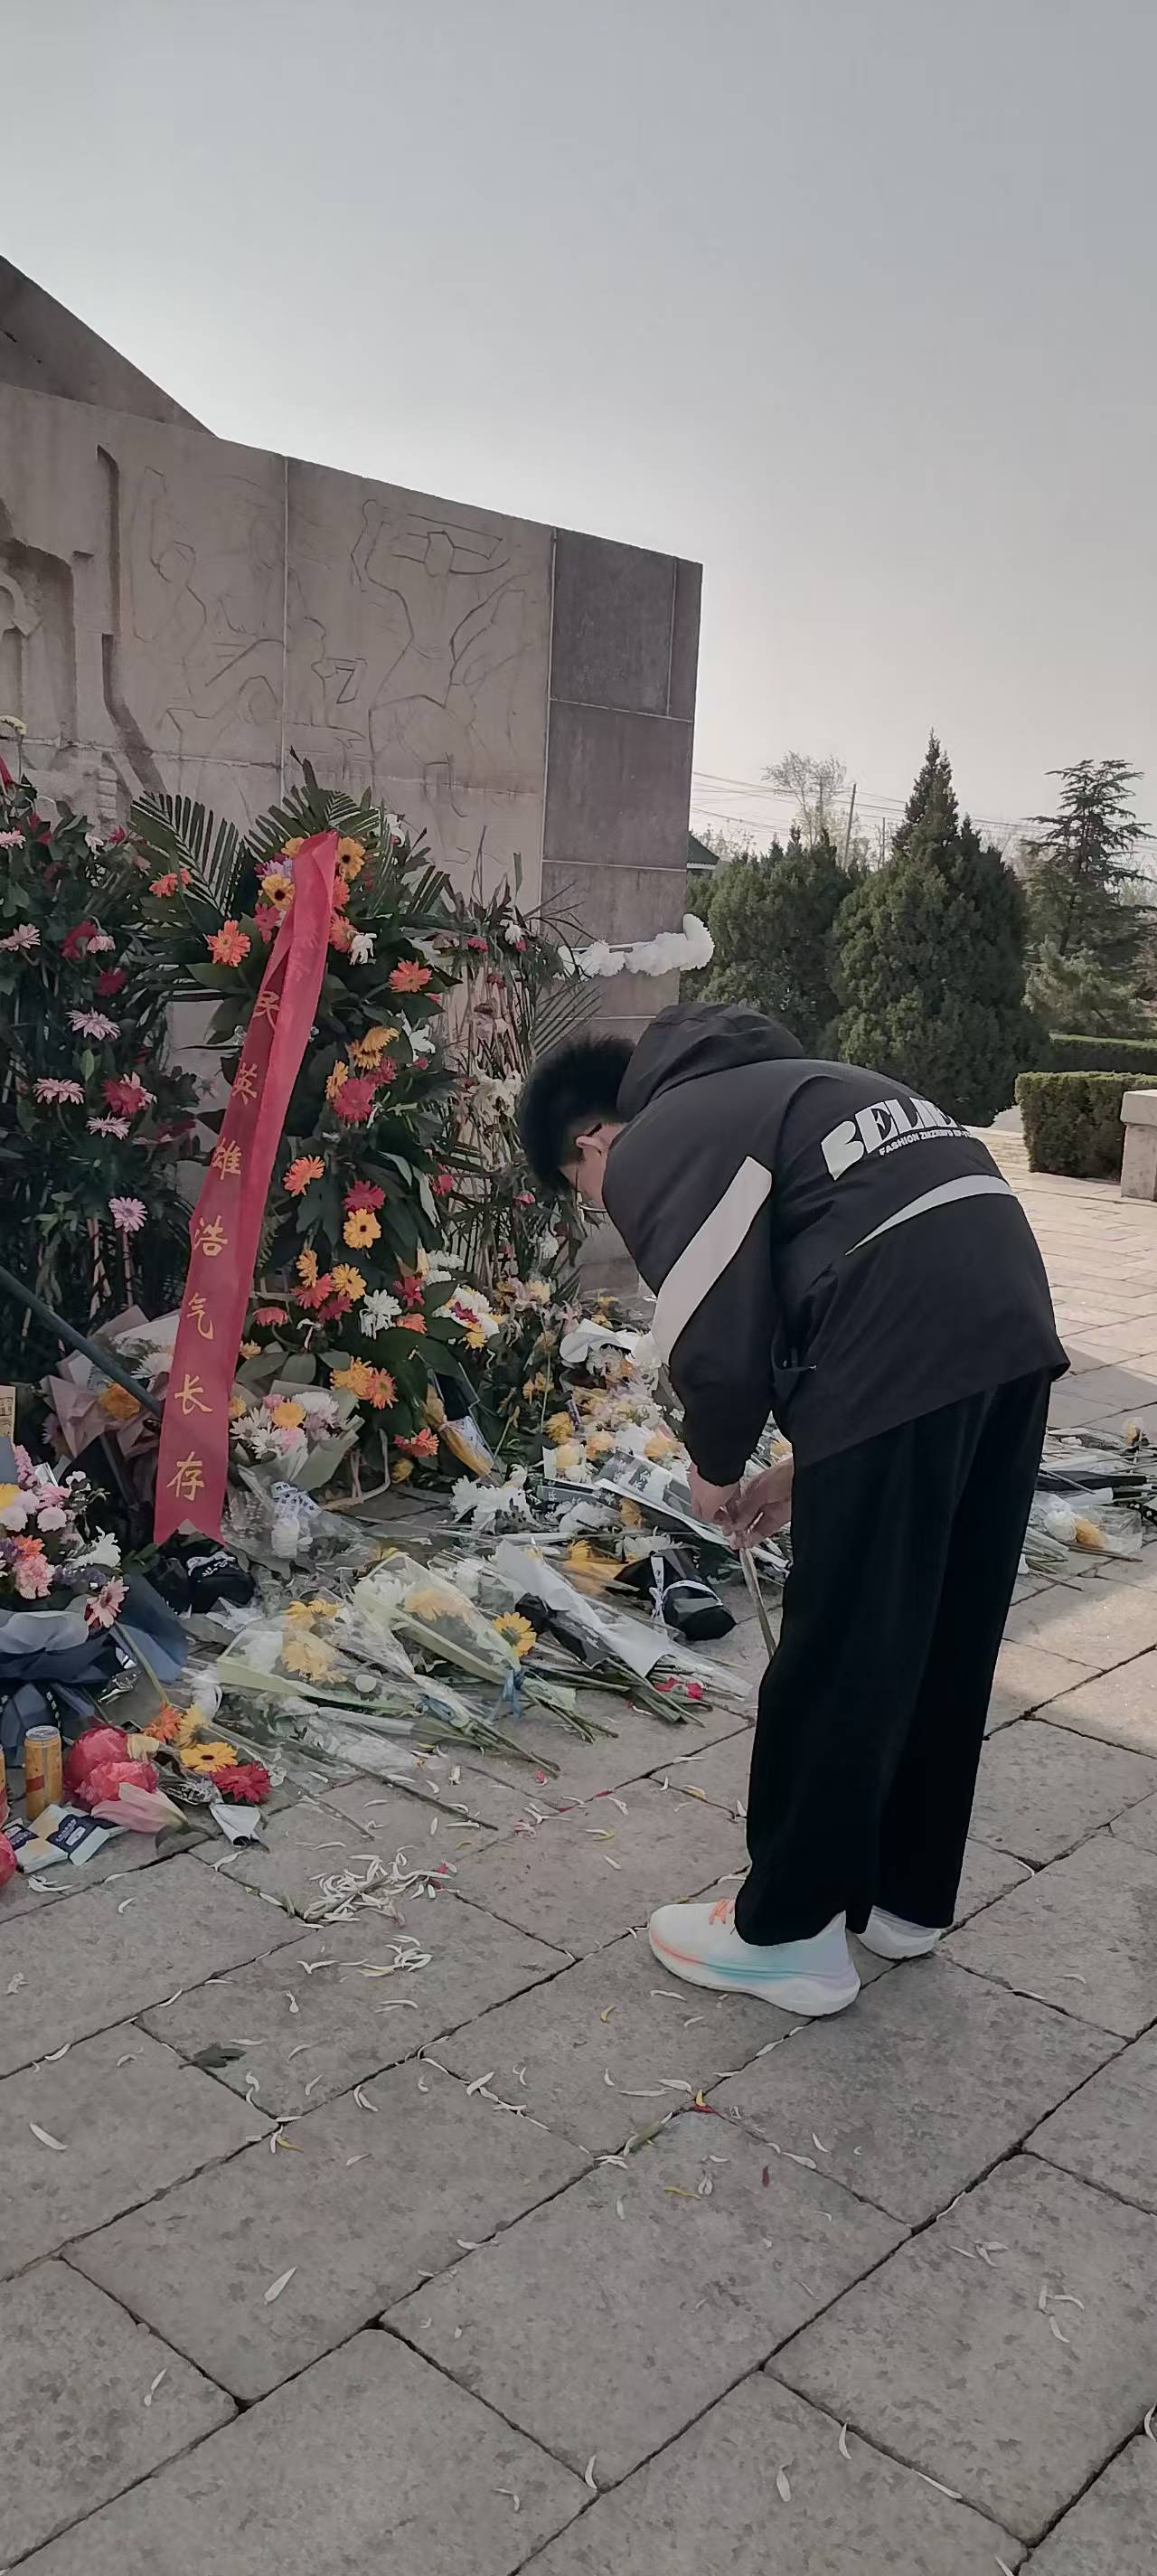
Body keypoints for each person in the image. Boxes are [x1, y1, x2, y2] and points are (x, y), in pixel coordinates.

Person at [518, 1002, 1066, 2017]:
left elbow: (716, 1336)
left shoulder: (660, 1138)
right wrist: (807, 1469)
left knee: (842, 1641)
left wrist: (715, 1463)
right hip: (1007, 1329)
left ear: (588, 1143)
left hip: (900, 1345)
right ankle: (903, 1898)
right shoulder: (801, 1087)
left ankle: (787, 1932)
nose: (608, 1205)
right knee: (943, 1623)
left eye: (584, 1191)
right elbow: (862, 1260)